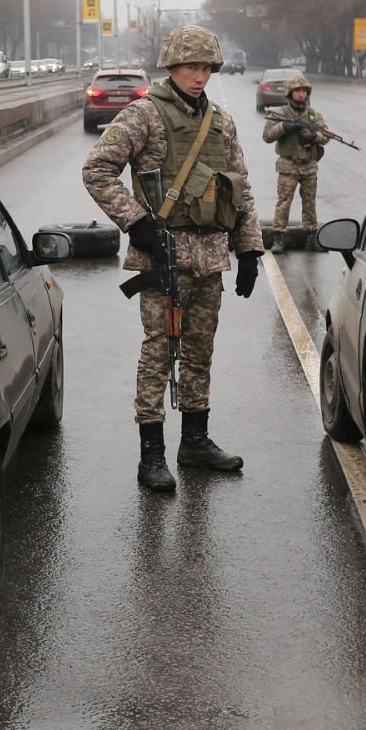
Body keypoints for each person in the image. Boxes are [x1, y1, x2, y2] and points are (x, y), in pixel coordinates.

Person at [82, 24, 264, 492]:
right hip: (161, 256)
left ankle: (196, 442)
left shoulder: (221, 121)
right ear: (172, 67)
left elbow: (239, 187)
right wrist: (136, 222)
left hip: (209, 258)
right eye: (190, 67)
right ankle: (151, 455)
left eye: (205, 67)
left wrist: (248, 249)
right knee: (158, 354)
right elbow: (97, 170)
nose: (199, 76)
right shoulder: (143, 115)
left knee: (200, 353)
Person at [261, 74, 330, 254]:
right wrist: (285, 128)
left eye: (304, 91)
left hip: (309, 165)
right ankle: (279, 237)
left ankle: (311, 237)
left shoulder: (314, 116)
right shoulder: (280, 114)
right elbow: (267, 136)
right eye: (297, 91)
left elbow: (326, 136)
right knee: (284, 202)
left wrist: (314, 136)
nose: (301, 95)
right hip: (288, 165)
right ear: (290, 94)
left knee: (309, 202)